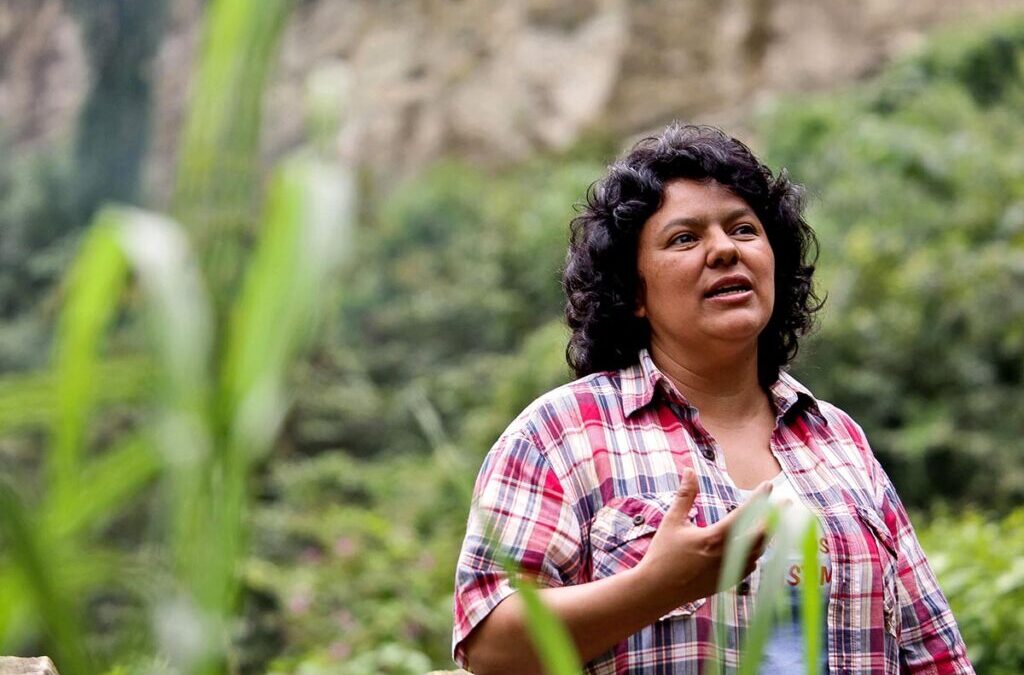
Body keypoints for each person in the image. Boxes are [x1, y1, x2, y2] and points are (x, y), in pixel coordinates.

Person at [451, 123, 973, 674]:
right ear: (633, 293)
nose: (724, 249)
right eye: (684, 238)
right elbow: (491, 647)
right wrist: (656, 586)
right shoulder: (562, 435)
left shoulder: (838, 440)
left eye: (744, 230)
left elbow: (934, 652)